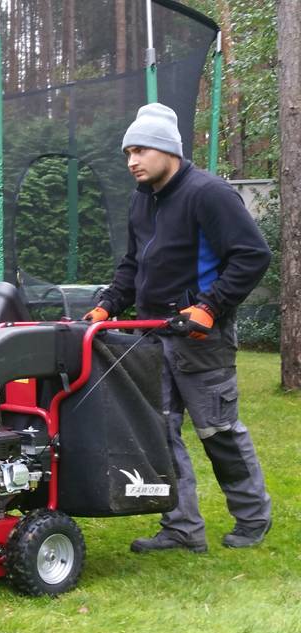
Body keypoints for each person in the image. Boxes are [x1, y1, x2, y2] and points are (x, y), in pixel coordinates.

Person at [83, 103, 273, 553]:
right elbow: (134, 264)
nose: (132, 160)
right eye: (128, 152)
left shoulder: (209, 193)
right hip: (150, 338)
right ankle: (182, 528)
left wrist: (210, 307)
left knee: (219, 432)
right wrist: (108, 305)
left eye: (141, 150)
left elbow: (252, 255)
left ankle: (252, 518)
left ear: (168, 150)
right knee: (160, 435)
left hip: (200, 340)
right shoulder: (141, 200)